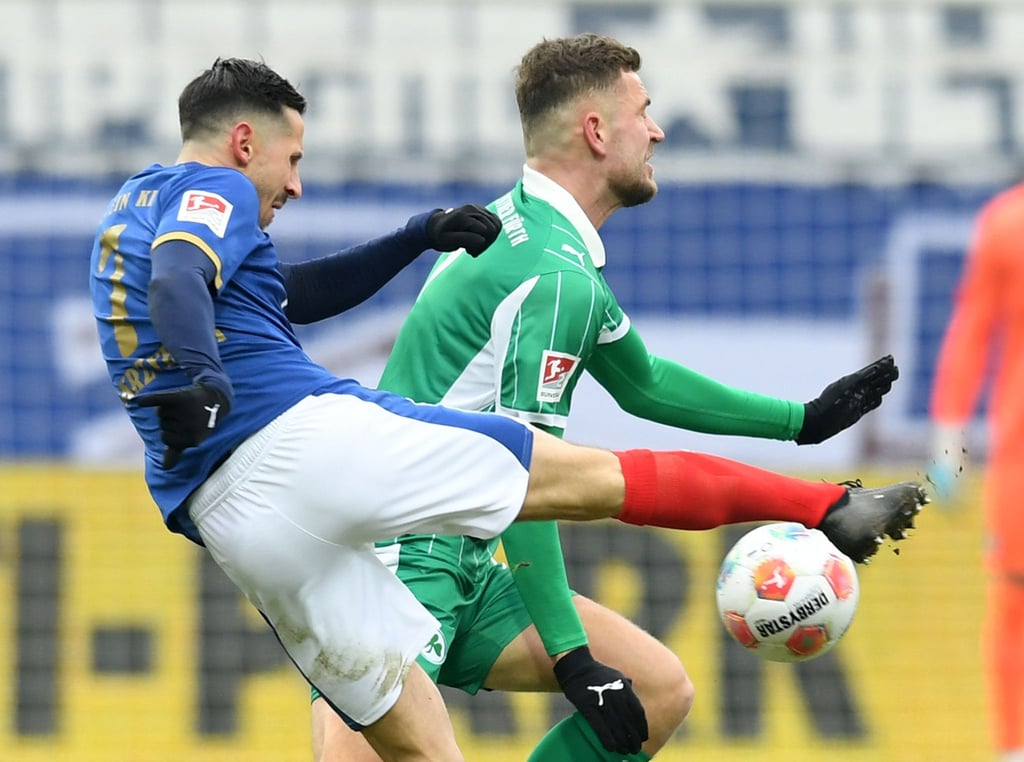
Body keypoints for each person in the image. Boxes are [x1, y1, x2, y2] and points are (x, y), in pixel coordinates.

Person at [89, 56, 926, 762]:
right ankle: (827, 507)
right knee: (591, 479)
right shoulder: (218, 195)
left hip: (239, 513)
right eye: (646, 112)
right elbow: (178, 277)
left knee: (635, 692)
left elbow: (645, 383)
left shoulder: (524, 238)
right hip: (361, 504)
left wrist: (801, 421)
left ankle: (827, 501)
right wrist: (571, 657)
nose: (298, 184)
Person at [930, 182, 1024, 762]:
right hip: (1019, 456)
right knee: (1015, 601)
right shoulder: (1007, 224)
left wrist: (950, 437)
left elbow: (971, 329)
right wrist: (950, 435)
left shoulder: (1006, 220)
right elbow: (972, 330)